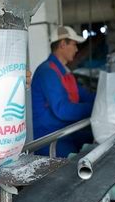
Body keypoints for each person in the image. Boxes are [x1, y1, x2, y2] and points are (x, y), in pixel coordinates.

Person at [31, 26, 96, 157]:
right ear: (62, 44)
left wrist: (103, 99)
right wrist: (96, 107)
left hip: (67, 131)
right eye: (74, 44)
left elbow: (83, 95)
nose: (77, 49)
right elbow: (63, 110)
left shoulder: (64, 72)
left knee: (98, 140)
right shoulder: (47, 72)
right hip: (51, 139)